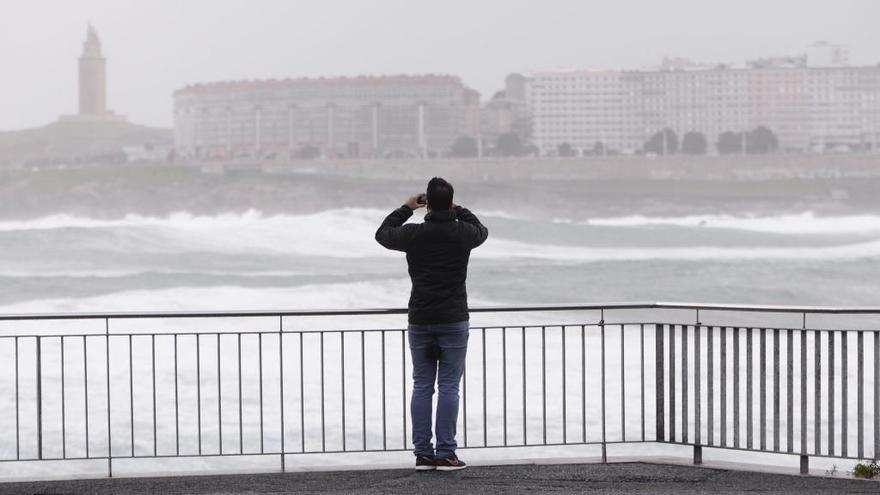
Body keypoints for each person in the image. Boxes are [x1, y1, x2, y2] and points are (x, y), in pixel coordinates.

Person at [375, 177, 488, 471]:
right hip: (453, 319)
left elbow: (383, 234)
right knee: (449, 386)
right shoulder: (463, 233)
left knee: (422, 386)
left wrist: (406, 208)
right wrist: (457, 208)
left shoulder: (415, 234)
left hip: (421, 320)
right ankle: (446, 454)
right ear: (449, 202)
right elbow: (482, 231)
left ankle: (423, 454)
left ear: (427, 204)